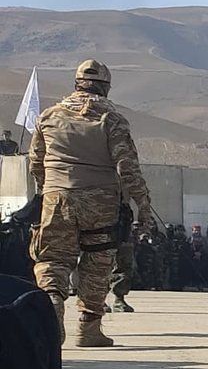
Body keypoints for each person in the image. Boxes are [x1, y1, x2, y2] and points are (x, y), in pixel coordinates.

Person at [26, 59, 156, 346]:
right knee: (97, 262)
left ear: (76, 85)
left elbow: (35, 162)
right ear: (105, 88)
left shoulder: (48, 117)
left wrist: (45, 190)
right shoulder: (112, 120)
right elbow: (128, 168)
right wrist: (143, 205)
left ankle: (52, 313)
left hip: (57, 198)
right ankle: (88, 329)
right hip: (101, 203)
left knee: (53, 260)